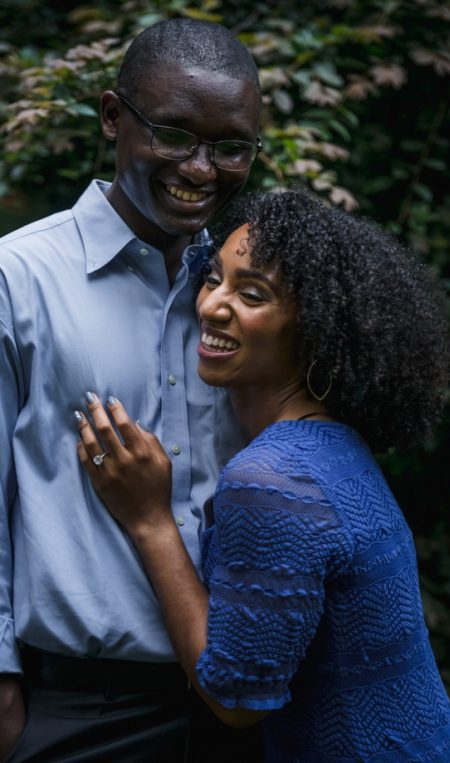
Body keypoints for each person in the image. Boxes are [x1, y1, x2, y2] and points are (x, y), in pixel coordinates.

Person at [73, 189, 450, 760]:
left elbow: (236, 700)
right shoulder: (334, 444)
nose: (212, 305)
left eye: (253, 294)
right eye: (213, 279)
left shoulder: (274, 479)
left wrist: (151, 522)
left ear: (314, 327)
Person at [0, 18, 261, 760]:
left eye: (231, 147)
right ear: (114, 116)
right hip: (77, 709)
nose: (202, 169)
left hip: (240, 706)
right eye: (175, 136)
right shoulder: (18, 279)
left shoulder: (255, 293)